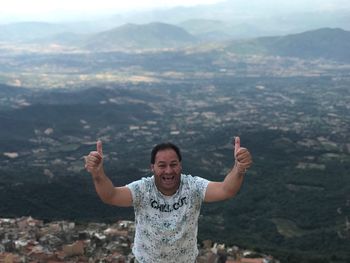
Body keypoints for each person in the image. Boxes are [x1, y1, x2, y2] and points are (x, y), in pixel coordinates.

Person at [84, 136, 252, 263]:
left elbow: (226, 190)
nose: (168, 170)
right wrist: (98, 174)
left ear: (180, 165)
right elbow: (110, 195)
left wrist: (239, 169)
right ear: (152, 168)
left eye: (173, 164)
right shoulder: (143, 189)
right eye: (162, 165)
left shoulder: (193, 186)